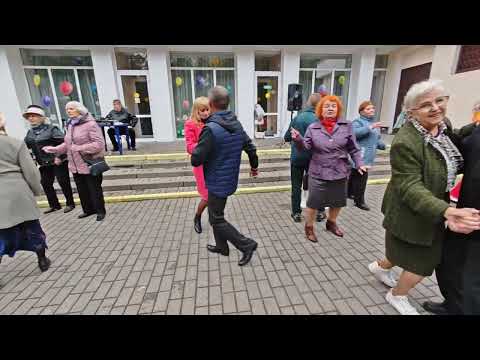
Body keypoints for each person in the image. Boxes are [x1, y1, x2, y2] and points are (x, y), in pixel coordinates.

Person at [367, 80, 480, 315]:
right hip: (411, 209)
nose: (436, 108)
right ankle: (396, 295)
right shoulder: (405, 142)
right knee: (425, 261)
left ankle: (379, 267)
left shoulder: (442, 126)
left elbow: (456, 136)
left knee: (402, 249)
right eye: (426, 105)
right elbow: (409, 185)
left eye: (440, 100)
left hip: (431, 204)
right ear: (411, 112)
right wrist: (447, 211)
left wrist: (475, 126)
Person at [422, 101, 480, 315]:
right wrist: (441, 126)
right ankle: (452, 304)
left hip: (474, 220)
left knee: (470, 277)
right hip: (463, 214)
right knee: (448, 262)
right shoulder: (476, 131)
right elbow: (462, 148)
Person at [191, 86, 259, 266]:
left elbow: (196, 159)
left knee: (216, 219)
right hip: (229, 180)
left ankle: (246, 245)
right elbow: (251, 148)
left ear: (211, 104)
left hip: (215, 181)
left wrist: (197, 147)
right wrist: (254, 167)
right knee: (217, 214)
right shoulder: (236, 124)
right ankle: (222, 247)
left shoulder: (210, 129)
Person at [291, 95, 368, 241]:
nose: (330, 108)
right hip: (318, 171)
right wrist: (298, 139)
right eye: (327, 106)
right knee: (313, 203)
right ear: (321, 110)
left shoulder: (347, 126)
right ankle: (309, 227)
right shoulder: (313, 127)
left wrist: (359, 163)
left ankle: (331, 223)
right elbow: (305, 148)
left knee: (337, 201)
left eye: (333, 106)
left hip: (339, 170)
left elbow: (354, 148)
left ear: (338, 109)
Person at [0, 112, 51, 272]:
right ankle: (42, 260)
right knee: (32, 227)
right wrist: (36, 190)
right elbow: (30, 171)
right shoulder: (15, 143)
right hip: (17, 190)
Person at [43, 101, 107, 221]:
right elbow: (68, 144)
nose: (68, 111)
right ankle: (88, 210)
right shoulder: (70, 124)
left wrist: (79, 148)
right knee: (82, 190)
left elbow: (99, 144)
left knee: (94, 189)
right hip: (75, 164)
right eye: (67, 109)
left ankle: (100, 211)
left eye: (71, 108)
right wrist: (55, 149)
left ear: (79, 109)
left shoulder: (90, 124)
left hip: (89, 163)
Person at [23, 105, 75, 214]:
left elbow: (64, 144)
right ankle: (54, 205)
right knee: (45, 183)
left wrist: (60, 157)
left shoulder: (52, 129)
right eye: (29, 117)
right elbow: (26, 146)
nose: (31, 118)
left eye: (34, 116)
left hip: (57, 161)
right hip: (43, 163)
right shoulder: (30, 132)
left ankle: (70, 203)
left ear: (41, 117)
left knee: (63, 182)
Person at [284, 93, 326, 222]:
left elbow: (287, 137)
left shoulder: (298, 118)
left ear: (308, 103)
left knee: (296, 186)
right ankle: (320, 212)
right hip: (314, 159)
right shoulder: (321, 120)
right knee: (316, 185)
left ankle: (296, 213)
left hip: (297, 157)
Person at [348, 101, 386, 211]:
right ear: (361, 111)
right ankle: (359, 201)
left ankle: (349, 193)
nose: (372, 110)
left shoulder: (373, 123)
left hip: (369, 155)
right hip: (361, 155)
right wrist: (370, 127)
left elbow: (375, 139)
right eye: (368, 109)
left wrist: (383, 146)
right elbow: (354, 134)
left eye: (372, 108)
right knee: (362, 178)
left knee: (355, 174)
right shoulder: (357, 122)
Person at [185, 97, 210, 233]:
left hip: (213, 164)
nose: (206, 113)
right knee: (206, 197)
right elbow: (189, 146)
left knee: (215, 194)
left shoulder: (212, 121)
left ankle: (214, 218)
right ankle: (197, 217)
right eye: (203, 110)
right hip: (201, 166)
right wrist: (204, 146)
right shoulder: (190, 124)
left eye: (207, 109)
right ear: (196, 111)